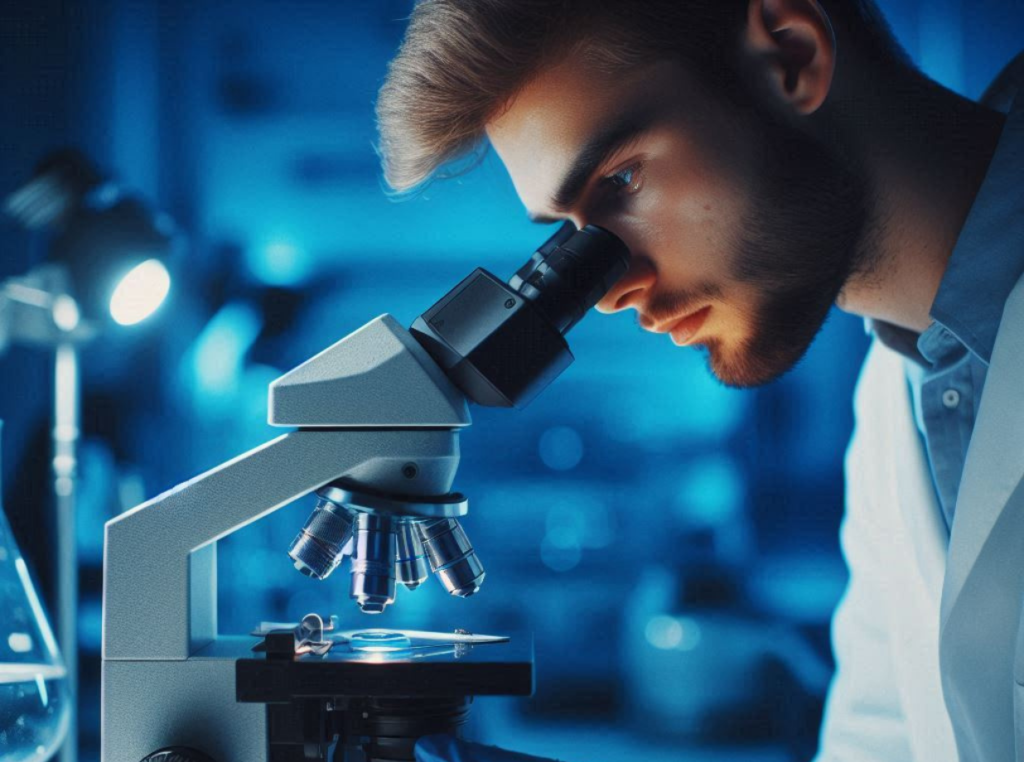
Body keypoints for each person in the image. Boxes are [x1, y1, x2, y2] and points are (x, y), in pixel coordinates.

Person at [375, 1, 1024, 760]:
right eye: (572, 235)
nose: (610, 290)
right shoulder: (899, 400)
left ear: (790, 54)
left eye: (621, 179)